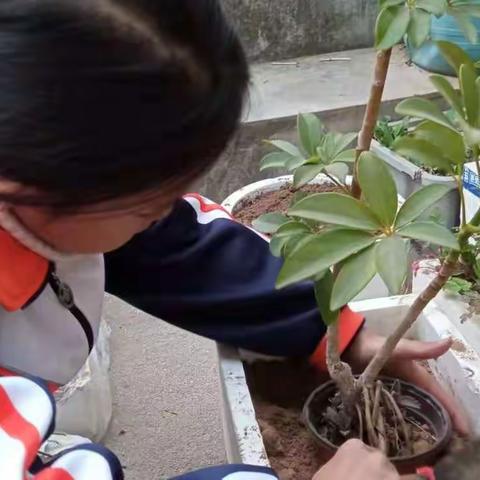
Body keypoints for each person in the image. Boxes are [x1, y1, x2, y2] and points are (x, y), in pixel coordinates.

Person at [0, 0, 469, 478]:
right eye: (149, 203)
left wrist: (337, 333)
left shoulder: (45, 185)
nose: (170, 211)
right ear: (30, 184)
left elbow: (171, 246)